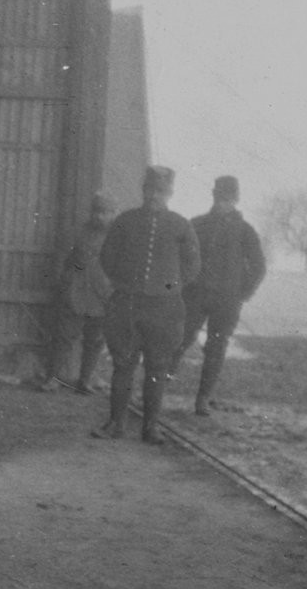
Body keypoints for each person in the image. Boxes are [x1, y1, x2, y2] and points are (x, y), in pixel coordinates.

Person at [93, 166, 201, 445]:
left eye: (161, 191)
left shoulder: (181, 225)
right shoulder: (125, 222)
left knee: (157, 368)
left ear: (170, 193)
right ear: (143, 190)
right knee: (123, 364)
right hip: (127, 305)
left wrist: (169, 287)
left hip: (164, 310)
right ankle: (115, 423)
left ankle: (150, 428)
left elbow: (192, 266)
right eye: (150, 190)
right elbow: (108, 258)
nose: (155, 196)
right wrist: (125, 283)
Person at [175, 175, 266, 415]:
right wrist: (184, 284)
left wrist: (241, 293)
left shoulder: (245, 231)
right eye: (218, 197)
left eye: (227, 199)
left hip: (226, 301)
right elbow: (181, 257)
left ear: (235, 200)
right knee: (179, 339)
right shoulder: (197, 224)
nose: (222, 203)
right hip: (195, 296)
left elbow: (258, 266)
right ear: (213, 196)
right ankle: (155, 389)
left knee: (216, 348)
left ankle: (203, 399)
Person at [36, 191, 115, 394]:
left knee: (95, 341)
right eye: (97, 211)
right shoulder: (75, 232)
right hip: (74, 293)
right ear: (91, 212)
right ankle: (52, 378)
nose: (100, 216)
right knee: (63, 338)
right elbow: (60, 260)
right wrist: (62, 285)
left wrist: (114, 291)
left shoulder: (117, 237)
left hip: (102, 295)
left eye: (105, 212)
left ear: (113, 213)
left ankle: (85, 381)